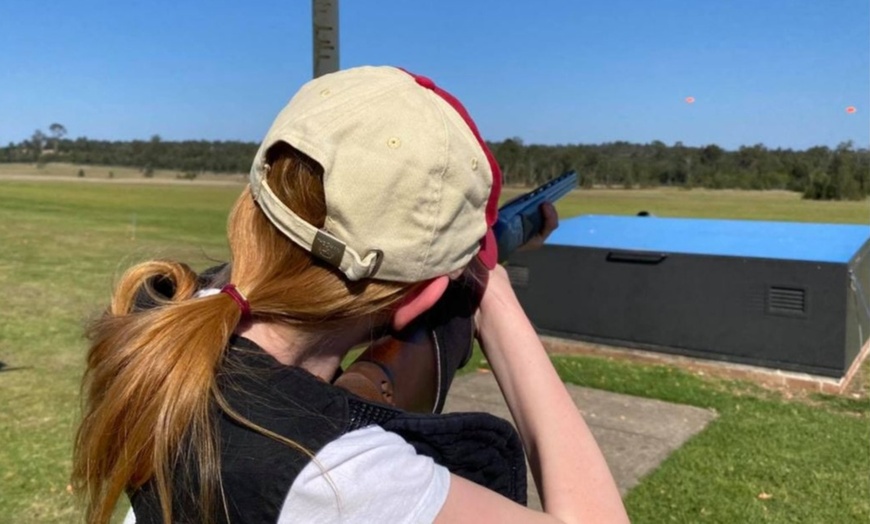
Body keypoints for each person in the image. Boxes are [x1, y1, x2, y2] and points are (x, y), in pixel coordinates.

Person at [72, 65, 629, 524]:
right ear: (418, 298)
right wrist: (496, 297)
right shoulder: (337, 479)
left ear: (255, 208)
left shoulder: (170, 319)